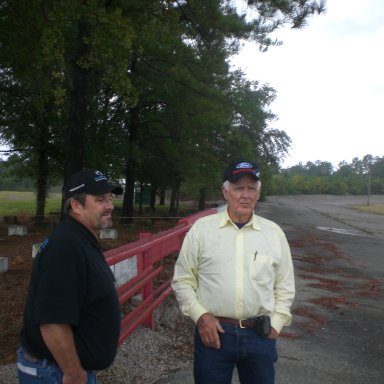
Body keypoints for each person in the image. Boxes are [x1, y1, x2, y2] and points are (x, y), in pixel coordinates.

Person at [172, 160, 295, 384]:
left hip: (260, 335)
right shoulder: (202, 230)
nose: (245, 195)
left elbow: (284, 285)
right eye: (239, 188)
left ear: (259, 193)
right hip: (214, 334)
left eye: (251, 188)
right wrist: (201, 316)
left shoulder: (273, 233)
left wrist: (276, 324)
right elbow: (182, 280)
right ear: (225, 191)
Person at [17, 169, 123, 384]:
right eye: (100, 199)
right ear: (76, 206)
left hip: (62, 369)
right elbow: (52, 320)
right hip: (56, 372)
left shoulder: (80, 239)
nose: (110, 205)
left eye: (110, 198)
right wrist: (74, 373)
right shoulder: (65, 247)